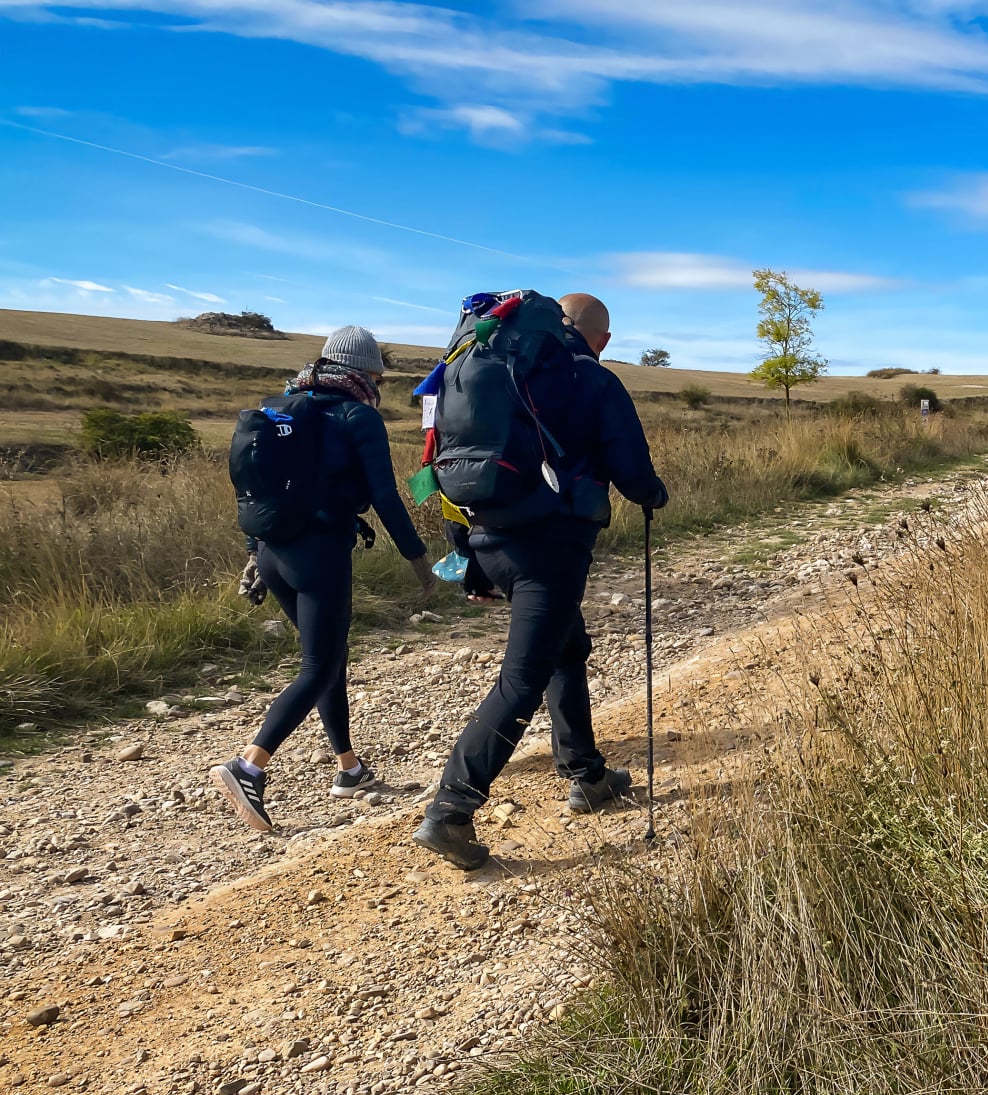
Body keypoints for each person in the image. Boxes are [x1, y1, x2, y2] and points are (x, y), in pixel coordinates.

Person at [413, 292, 668, 870]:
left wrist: (468, 558)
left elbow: (442, 462)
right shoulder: (591, 379)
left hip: (486, 539)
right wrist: (655, 495)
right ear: (598, 337)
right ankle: (450, 810)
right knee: (522, 678)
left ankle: (587, 774)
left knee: (565, 645)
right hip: (550, 550)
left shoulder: (474, 371)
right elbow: (633, 475)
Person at [212, 325, 437, 831]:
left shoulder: (281, 409)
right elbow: (384, 496)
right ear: (365, 372)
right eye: (377, 372)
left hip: (273, 554)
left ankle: (349, 769)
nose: (378, 381)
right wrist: (417, 558)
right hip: (318, 556)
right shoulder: (358, 416)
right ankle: (248, 766)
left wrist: (253, 556)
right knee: (319, 665)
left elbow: (254, 489)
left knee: (330, 658)